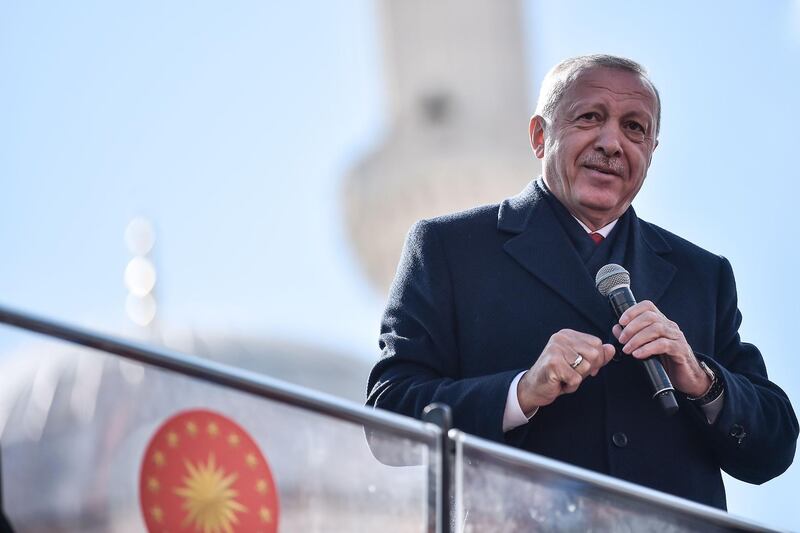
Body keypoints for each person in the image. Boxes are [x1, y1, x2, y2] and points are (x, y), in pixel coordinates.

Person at [366, 54, 798, 510]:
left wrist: (702, 380)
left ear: (651, 151)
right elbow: (388, 419)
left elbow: (773, 446)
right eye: (590, 117)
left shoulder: (702, 275)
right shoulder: (450, 248)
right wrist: (521, 391)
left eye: (635, 128)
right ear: (539, 136)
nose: (612, 143)